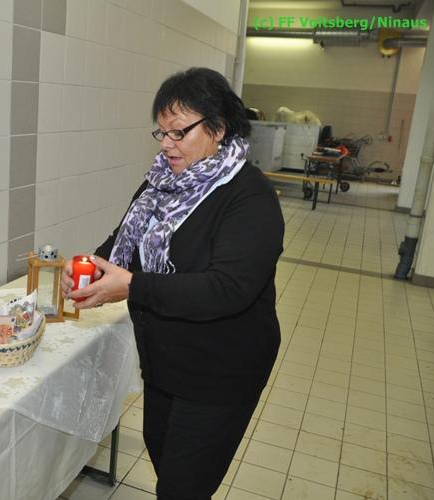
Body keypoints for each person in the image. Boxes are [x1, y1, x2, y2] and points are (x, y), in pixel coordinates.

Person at [62, 67, 285, 499]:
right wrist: (92, 266)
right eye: (161, 132)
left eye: (179, 132)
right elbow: (124, 240)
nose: (166, 144)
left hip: (220, 370)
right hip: (166, 360)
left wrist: (133, 287)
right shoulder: (160, 182)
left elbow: (226, 288)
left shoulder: (249, 196)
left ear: (218, 128)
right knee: (163, 456)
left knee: (183, 486)